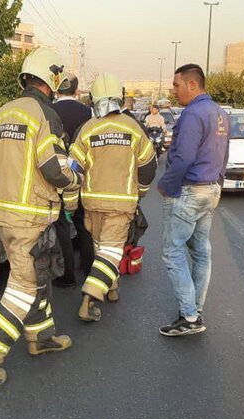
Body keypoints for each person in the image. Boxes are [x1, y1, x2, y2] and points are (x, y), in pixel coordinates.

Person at [0, 47, 82, 389]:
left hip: (4, 213)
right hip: (33, 215)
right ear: (51, 80)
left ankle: (42, 337)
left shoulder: (1, 113)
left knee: (36, 276)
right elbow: (54, 167)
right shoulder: (44, 114)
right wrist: (74, 183)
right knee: (23, 287)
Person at [67, 73, 156, 322]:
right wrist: (140, 192)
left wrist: (71, 203)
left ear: (93, 99)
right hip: (121, 202)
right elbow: (149, 165)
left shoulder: (87, 129)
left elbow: (73, 169)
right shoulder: (133, 128)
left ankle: (112, 288)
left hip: (92, 203)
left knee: (101, 250)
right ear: (120, 98)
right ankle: (89, 299)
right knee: (111, 251)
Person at [157, 63, 230, 337]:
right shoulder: (220, 113)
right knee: (201, 251)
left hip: (188, 191)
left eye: (176, 85)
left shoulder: (192, 114)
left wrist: (166, 185)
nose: (174, 90)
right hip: (209, 189)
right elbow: (224, 154)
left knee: (173, 252)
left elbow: (183, 157)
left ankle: (189, 317)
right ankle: (194, 311)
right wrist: (217, 184)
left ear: (192, 84)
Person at [52, 73, 94, 286]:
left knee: (61, 225)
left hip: (57, 173)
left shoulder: (49, 111)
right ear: (77, 91)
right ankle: (88, 268)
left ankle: (67, 274)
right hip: (81, 170)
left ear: (56, 89)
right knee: (82, 220)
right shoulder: (89, 113)